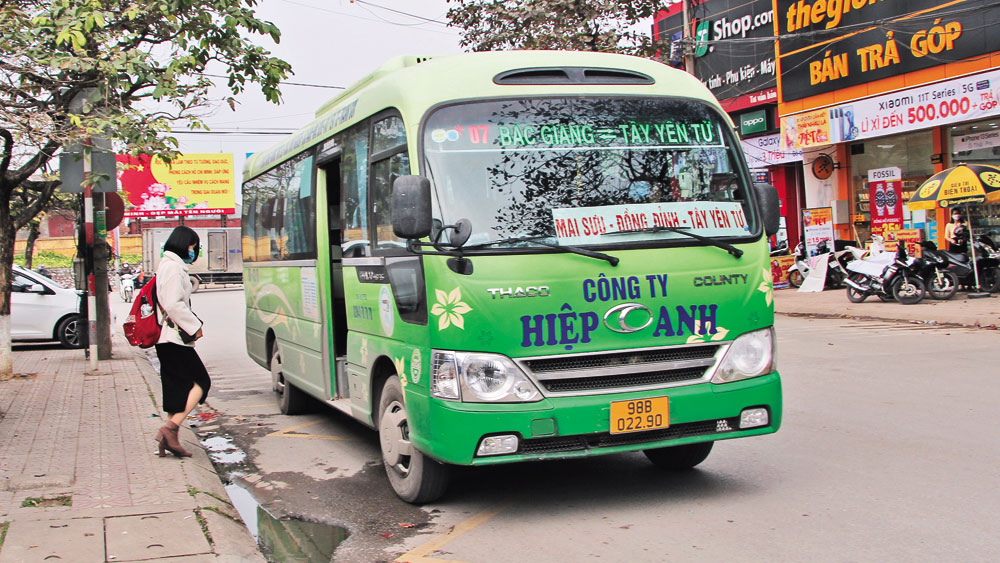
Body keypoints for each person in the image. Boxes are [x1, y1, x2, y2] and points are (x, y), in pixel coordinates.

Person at [153, 226, 208, 458]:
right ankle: (170, 428)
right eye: (193, 247)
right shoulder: (174, 269)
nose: (193, 252)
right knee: (202, 382)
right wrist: (195, 327)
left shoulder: (167, 265)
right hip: (173, 337)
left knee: (177, 388)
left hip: (165, 337)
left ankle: (169, 442)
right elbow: (174, 304)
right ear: (185, 244)